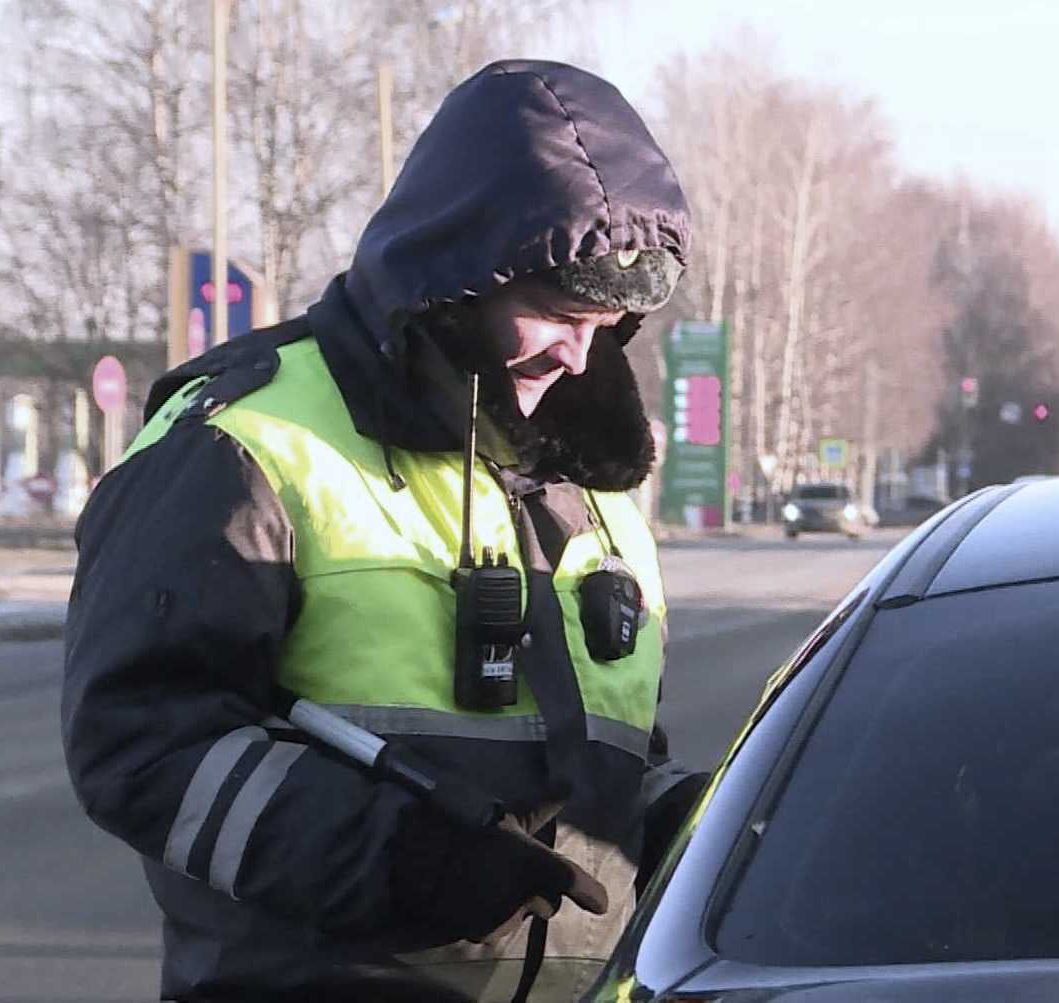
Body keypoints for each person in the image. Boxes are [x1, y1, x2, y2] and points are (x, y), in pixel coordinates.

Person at [61, 60, 708, 1002]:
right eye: (557, 314)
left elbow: (602, 764)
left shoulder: (592, 480)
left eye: (607, 320)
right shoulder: (246, 434)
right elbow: (140, 738)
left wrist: (697, 823)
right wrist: (401, 861)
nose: (578, 353)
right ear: (459, 274)